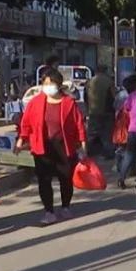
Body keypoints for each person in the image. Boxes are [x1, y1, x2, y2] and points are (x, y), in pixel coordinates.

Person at [16, 68, 87, 226]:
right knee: (44, 179)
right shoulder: (35, 102)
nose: (48, 87)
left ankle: (66, 206)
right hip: (42, 146)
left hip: (64, 146)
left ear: (59, 84)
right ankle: (49, 211)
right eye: (45, 83)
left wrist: (82, 144)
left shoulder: (69, 103)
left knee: (65, 178)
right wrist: (21, 141)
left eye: (51, 83)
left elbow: (79, 124)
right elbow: (26, 123)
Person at [85, 65, 116, 159]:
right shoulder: (109, 81)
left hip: (93, 111)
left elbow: (85, 97)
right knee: (107, 134)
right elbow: (113, 96)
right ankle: (108, 153)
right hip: (107, 111)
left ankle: (88, 152)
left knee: (91, 133)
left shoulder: (89, 82)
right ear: (105, 71)